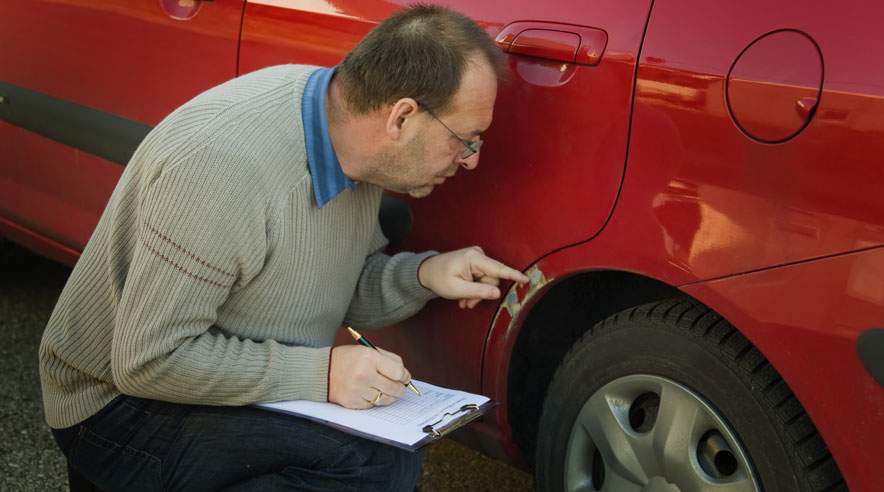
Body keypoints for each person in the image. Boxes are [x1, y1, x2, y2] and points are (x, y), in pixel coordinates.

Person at [39, 4, 528, 491]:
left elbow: (315, 286)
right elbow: (148, 359)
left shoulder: (351, 131)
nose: (470, 160)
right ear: (401, 117)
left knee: (389, 459)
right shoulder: (222, 169)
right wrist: (323, 374)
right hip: (112, 404)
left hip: (217, 373)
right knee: (369, 467)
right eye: (465, 139)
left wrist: (425, 275)